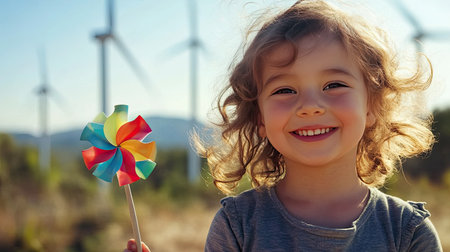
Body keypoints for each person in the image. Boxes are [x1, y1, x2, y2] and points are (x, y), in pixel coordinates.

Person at [125, 0, 442, 251]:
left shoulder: (407, 232)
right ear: (260, 117)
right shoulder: (238, 225)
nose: (310, 106)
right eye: (284, 90)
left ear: (372, 105)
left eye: (334, 85)